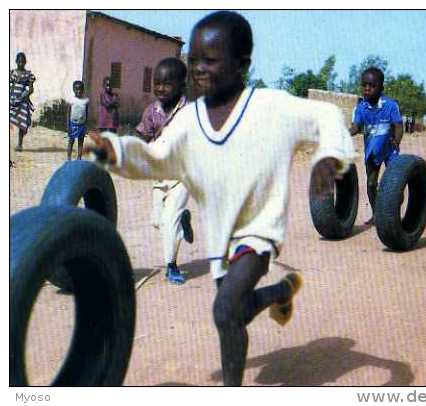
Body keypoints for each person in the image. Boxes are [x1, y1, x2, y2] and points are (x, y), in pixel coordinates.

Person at [86, 11, 356, 386]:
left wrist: (329, 155)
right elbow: (158, 158)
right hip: (220, 238)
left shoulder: (271, 107)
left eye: (209, 60)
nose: (197, 68)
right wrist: (115, 151)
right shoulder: (189, 120)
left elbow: (327, 115)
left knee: (225, 310)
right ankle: (280, 291)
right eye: (193, 59)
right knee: (236, 309)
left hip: (259, 231)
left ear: (242, 63)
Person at [134, 57, 194, 285]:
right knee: (157, 220)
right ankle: (183, 221)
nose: (160, 88)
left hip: (182, 174)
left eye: (167, 84)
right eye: (157, 83)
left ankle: (172, 265)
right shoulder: (152, 111)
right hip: (159, 174)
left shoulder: (190, 112)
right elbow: (143, 135)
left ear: (181, 86)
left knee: (169, 220)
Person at [349, 67, 403, 225]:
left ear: (381, 88)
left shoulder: (390, 105)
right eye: (364, 85)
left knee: (395, 182)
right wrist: (345, 133)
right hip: (372, 151)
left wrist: (397, 140)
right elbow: (356, 127)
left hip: (390, 150)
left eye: (372, 86)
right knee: (372, 183)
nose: (367, 89)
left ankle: (394, 212)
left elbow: (399, 125)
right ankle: (376, 214)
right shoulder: (360, 108)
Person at [10, 52, 36, 154]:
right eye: (19, 61)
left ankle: (20, 144)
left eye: (22, 61)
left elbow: (31, 89)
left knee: (22, 122)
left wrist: (23, 96)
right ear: (16, 62)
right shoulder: (12, 73)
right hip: (11, 98)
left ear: (25, 62)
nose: (21, 63)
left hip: (23, 99)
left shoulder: (29, 74)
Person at [66, 80, 89, 160]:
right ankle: (69, 157)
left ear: (83, 90)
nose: (78, 91)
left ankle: (79, 157)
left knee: (80, 142)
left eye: (80, 89)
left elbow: (86, 112)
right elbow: (68, 113)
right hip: (73, 124)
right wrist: (68, 125)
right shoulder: (71, 100)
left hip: (82, 124)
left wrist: (86, 124)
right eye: (76, 89)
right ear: (73, 90)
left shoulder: (85, 100)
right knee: (71, 141)